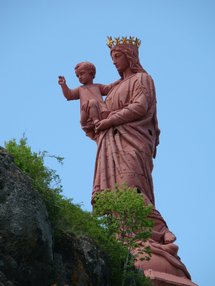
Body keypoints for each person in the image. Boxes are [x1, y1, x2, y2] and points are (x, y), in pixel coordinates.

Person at [92, 36, 191, 280]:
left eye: (117, 56)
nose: (114, 62)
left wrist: (110, 120)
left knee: (131, 186)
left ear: (130, 56)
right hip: (110, 143)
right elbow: (99, 118)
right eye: (112, 58)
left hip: (133, 141)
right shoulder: (113, 88)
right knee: (114, 193)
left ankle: (159, 231)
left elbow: (141, 106)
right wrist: (92, 114)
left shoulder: (142, 79)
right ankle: (125, 235)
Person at [58, 61, 118, 140]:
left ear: (91, 73)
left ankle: (109, 131)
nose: (79, 77)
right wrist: (63, 85)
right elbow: (69, 95)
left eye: (81, 74)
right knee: (92, 102)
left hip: (100, 111)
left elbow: (109, 88)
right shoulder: (80, 89)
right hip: (86, 115)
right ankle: (95, 121)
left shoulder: (97, 86)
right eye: (77, 76)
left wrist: (120, 80)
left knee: (111, 113)